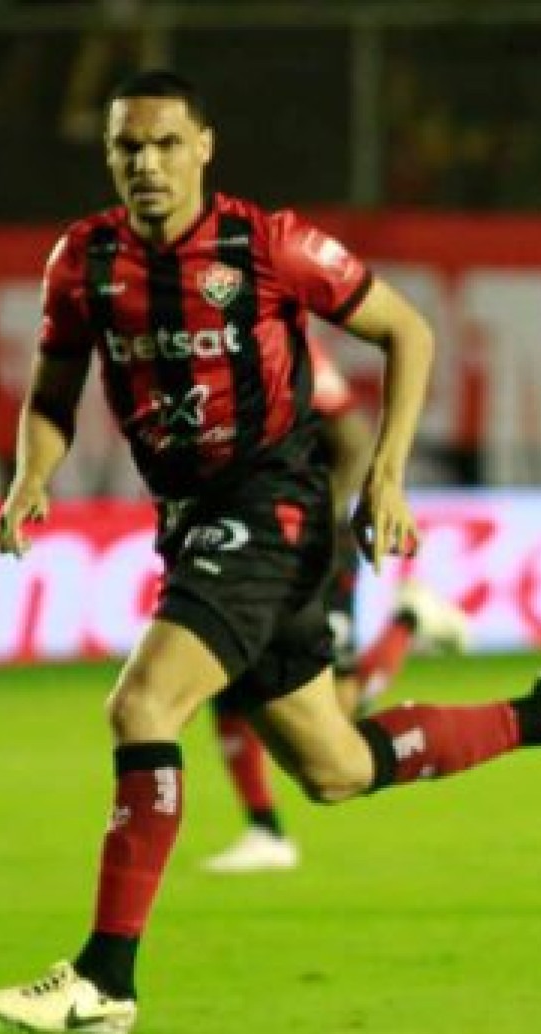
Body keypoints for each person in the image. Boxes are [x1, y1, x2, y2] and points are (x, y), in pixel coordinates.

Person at [0, 69, 541, 1034]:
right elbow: (52, 392)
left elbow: (406, 331)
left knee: (143, 703)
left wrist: (386, 474)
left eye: (167, 143)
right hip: (191, 518)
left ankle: (103, 975)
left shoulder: (268, 243)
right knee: (335, 766)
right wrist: (29, 477)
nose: (147, 164)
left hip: (274, 508)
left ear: (204, 146)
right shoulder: (82, 262)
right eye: (128, 147)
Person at [202, 336, 471, 874]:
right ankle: (265, 830)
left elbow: (352, 441)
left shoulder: (289, 347)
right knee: (224, 674)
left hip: (309, 542)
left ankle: (410, 621)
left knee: (340, 713)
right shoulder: (210, 344)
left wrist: (320, 521)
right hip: (249, 542)